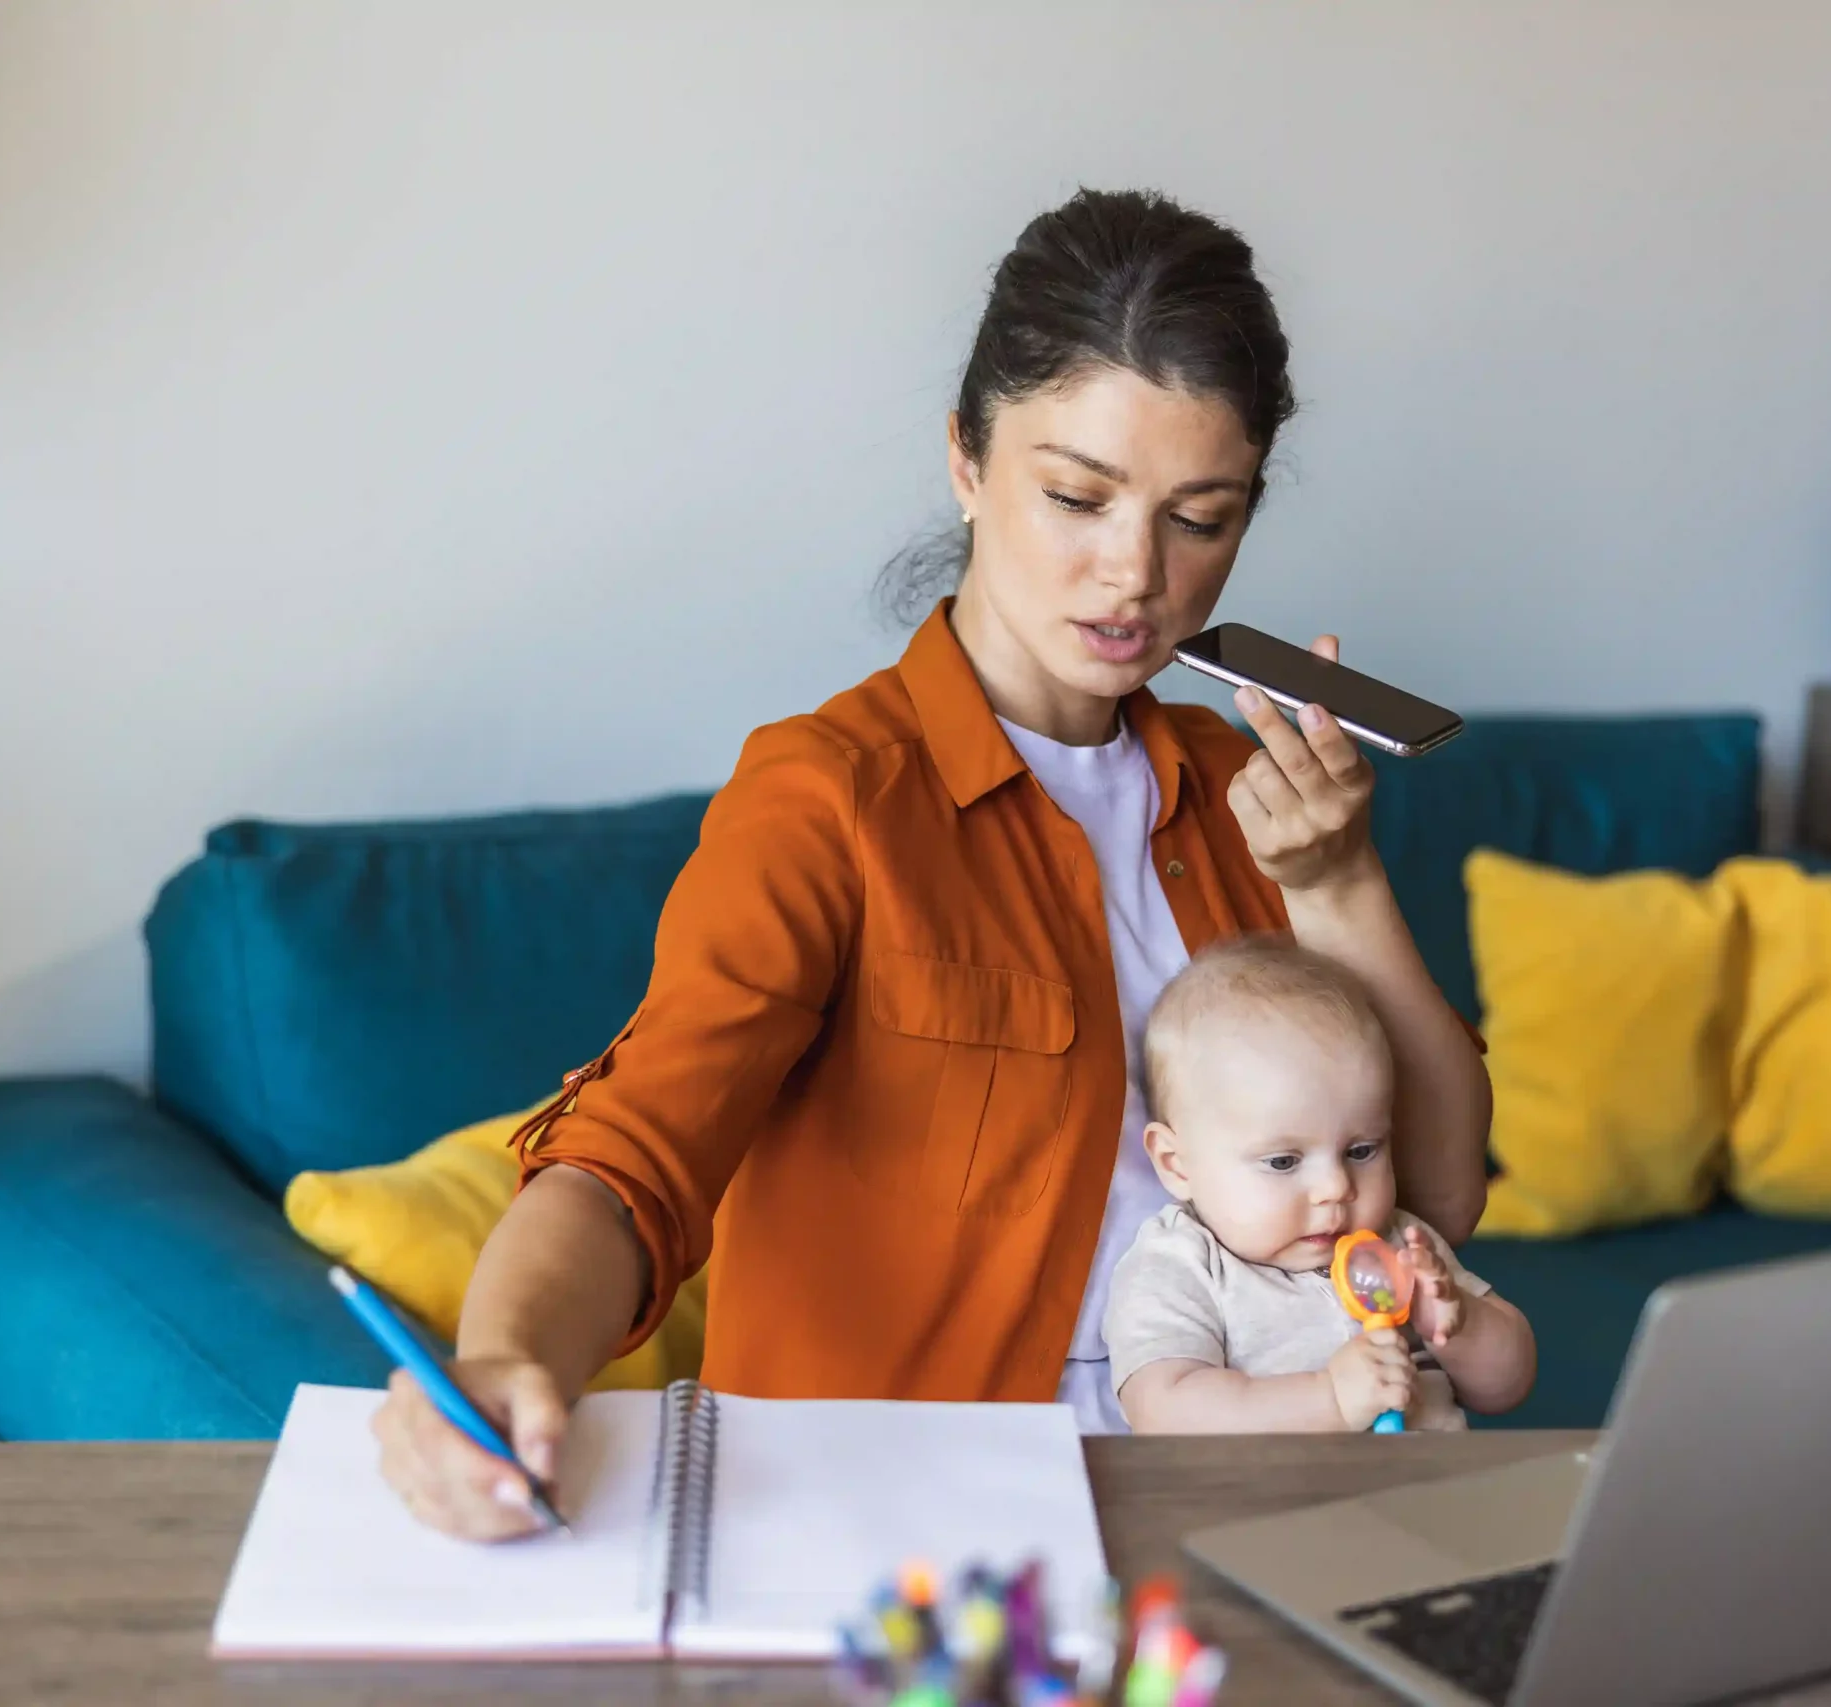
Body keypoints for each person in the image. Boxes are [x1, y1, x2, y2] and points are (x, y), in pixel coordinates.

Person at [374, 187, 1493, 1541]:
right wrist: (506, 1357)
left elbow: (1435, 1196)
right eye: (1076, 495)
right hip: (920, 1538)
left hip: (1251, 1508)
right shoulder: (830, 796)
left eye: (1201, 517)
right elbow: (633, 1153)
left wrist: (1336, 883)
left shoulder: (1243, 788)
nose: (1132, 572)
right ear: (965, 459)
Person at [1107, 936, 1536, 1433]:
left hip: (1430, 1499)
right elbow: (1164, 1411)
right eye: (1284, 1161)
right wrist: (1328, 1398)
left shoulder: (1399, 1246)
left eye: (1361, 1151)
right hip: (1279, 1509)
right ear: (1177, 1164)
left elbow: (1508, 1385)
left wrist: (1457, 1322)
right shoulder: (1180, 1264)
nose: (1336, 1187)